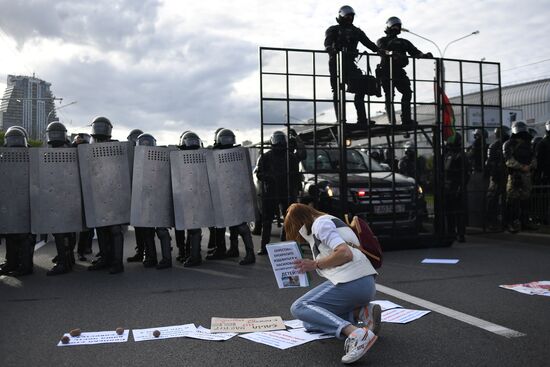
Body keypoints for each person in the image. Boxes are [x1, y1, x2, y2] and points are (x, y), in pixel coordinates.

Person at [284, 203, 381, 364]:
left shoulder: (320, 224)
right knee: (310, 321)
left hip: (353, 282)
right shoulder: (330, 221)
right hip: (365, 283)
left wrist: (315, 264)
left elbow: (344, 253)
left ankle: (357, 334)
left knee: (300, 307)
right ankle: (361, 313)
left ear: (298, 223)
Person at [324, 5, 379, 124]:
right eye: (347, 16)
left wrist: (379, 51)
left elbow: (369, 43)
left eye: (351, 16)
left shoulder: (357, 31)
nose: (349, 18)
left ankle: (362, 119)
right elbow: (327, 42)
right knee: (337, 90)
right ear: (341, 16)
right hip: (336, 61)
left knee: (361, 87)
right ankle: (341, 120)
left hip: (350, 62)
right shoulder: (333, 29)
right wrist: (329, 48)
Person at [209, 128, 256, 265]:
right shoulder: (217, 154)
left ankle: (249, 253)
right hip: (223, 192)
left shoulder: (238, 154)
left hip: (233, 192)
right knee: (223, 224)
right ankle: (229, 249)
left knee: (239, 224)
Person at [377, 17, 433, 125]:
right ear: (388, 27)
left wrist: (424, 55)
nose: (396, 28)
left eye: (398, 26)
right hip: (386, 70)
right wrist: (390, 53)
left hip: (399, 71)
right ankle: (391, 121)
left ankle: (406, 119)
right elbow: (381, 50)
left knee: (407, 92)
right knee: (389, 95)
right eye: (394, 26)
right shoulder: (382, 40)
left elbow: (415, 52)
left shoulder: (403, 42)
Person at [87, 116, 125, 274]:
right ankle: (106, 258)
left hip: (115, 193)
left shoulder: (116, 146)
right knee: (101, 228)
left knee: (115, 229)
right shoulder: (88, 149)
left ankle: (117, 262)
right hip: (98, 193)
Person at [256, 131, 300, 255]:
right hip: (271, 191)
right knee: (267, 220)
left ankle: (283, 244)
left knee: (288, 218)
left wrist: (295, 187)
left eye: (281, 140)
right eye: (278, 140)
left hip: (285, 191)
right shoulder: (266, 156)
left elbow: (296, 174)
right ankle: (264, 246)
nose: (279, 142)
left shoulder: (290, 157)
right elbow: (259, 173)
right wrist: (269, 177)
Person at [134, 133, 173, 270]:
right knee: (146, 230)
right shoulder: (135, 159)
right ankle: (150, 257)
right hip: (144, 198)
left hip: (160, 196)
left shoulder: (163, 156)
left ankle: (167, 259)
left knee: (162, 230)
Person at [0, 127, 35, 276]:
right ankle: (12, 263)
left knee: (23, 236)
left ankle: (25, 267)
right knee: (11, 233)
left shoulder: (32, 158)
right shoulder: (3, 158)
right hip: (10, 201)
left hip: (26, 201)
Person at [44, 121, 75, 275]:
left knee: (60, 232)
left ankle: (64, 262)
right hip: (69, 198)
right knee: (67, 232)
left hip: (60, 198)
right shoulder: (71, 151)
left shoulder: (50, 153)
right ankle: (68, 259)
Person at [176, 131, 205, 267]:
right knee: (191, 227)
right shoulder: (179, 158)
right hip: (188, 196)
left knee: (193, 228)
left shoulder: (203, 157)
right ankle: (190, 254)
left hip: (194, 196)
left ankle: (195, 257)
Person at [503, 121, 537, 233]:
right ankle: (509, 223)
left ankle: (524, 222)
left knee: (525, 200)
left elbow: (533, 158)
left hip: (526, 175)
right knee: (512, 200)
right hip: (514, 176)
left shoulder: (528, 144)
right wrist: (522, 167)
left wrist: (530, 166)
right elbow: (508, 160)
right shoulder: (508, 144)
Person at [126, 128, 147, 264]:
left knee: (147, 228)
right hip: (134, 195)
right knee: (140, 228)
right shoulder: (127, 155)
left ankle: (145, 253)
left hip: (146, 195)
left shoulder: (147, 154)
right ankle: (142, 251)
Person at [72, 133, 94, 261]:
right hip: (73, 192)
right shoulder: (71, 150)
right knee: (71, 227)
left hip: (86, 192)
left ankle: (83, 250)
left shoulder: (87, 150)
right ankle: (68, 253)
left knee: (87, 227)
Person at [444, 133, 470, 242]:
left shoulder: (461, 155)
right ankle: (451, 233)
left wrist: (461, 186)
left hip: (457, 185)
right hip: (448, 186)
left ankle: (461, 234)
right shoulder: (447, 154)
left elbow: (466, 173)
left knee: (459, 212)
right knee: (449, 211)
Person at [485, 126, 511, 230]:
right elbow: (489, 162)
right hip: (496, 176)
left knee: (506, 199)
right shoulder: (494, 146)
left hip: (506, 175)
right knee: (492, 198)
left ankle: (504, 221)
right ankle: (490, 221)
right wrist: (494, 173)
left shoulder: (508, 144)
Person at [534, 121, 550, 225]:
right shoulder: (542, 143)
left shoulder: (542, 143)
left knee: (544, 197)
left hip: (545, 174)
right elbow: (538, 161)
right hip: (546, 174)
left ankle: (543, 218)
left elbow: (538, 161)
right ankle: (543, 218)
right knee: (544, 197)